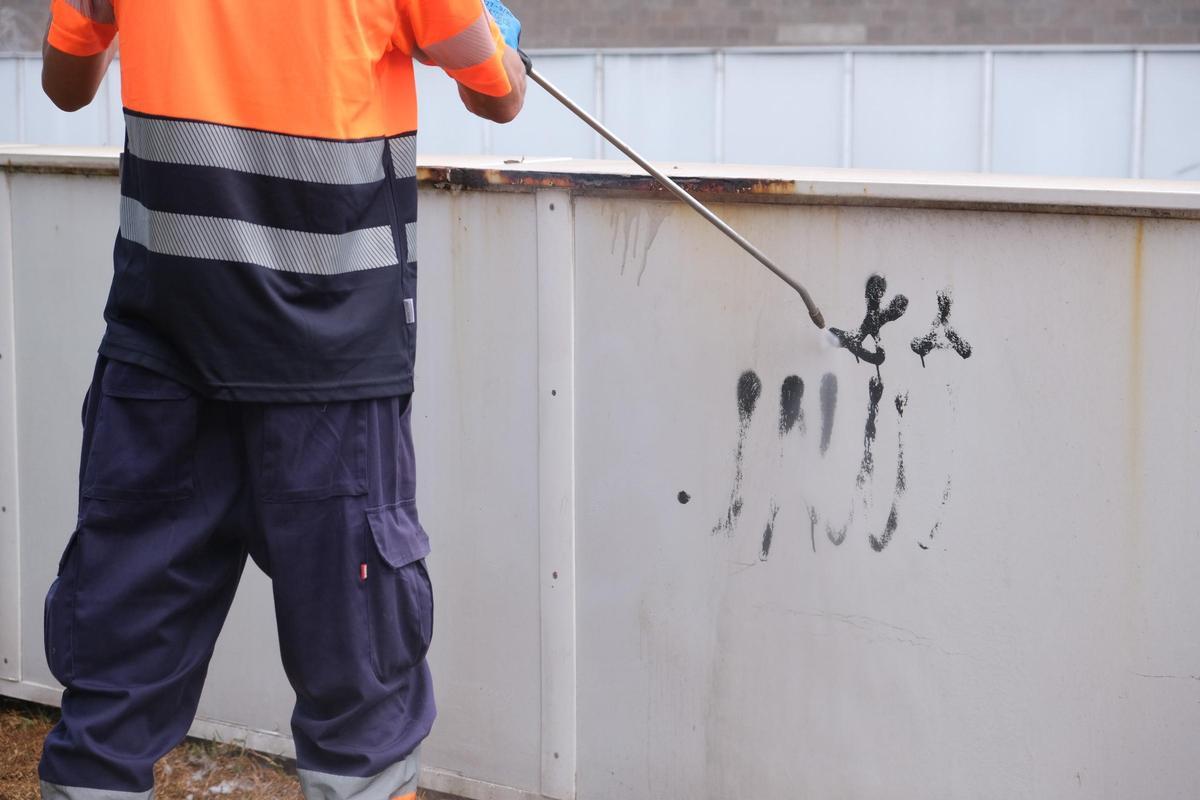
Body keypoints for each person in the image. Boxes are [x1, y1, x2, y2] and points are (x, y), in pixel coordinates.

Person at [37, 0, 526, 797]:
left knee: (113, 694)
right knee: (361, 710)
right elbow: (498, 94)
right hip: (329, 377)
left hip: (163, 363)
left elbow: (65, 81)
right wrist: (497, 31)